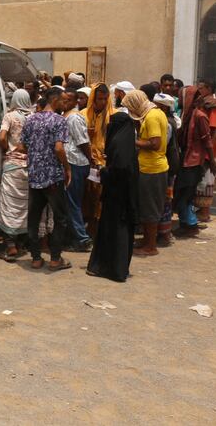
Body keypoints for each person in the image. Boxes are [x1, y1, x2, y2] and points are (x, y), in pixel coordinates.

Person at [19, 87, 71, 271]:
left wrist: (36, 156)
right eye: (64, 101)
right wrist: (67, 167)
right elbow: (59, 148)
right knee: (60, 218)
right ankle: (55, 259)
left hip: (34, 176)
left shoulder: (30, 120)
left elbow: (22, 145)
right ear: (55, 100)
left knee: (33, 218)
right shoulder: (59, 121)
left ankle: (35, 258)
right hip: (53, 177)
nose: (65, 104)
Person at [86, 112, 137, 282]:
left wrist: (104, 171)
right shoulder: (126, 142)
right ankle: (118, 268)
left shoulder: (118, 143)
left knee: (115, 230)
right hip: (125, 195)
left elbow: (119, 169)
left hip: (116, 196)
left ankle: (112, 268)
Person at [122, 90, 169, 256]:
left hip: (152, 169)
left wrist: (132, 141)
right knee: (147, 206)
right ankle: (147, 240)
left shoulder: (152, 117)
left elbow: (155, 143)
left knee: (150, 207)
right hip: (149, 168)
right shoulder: (153, 113)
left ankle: (151, 246)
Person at [173, 87, 216, 237]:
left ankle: (191, 225)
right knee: (182, 194)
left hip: (193, 162)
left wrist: (211, 161)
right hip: (185, 160)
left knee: (185, 194)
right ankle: (186, 223)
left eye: (181, 97)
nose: (179, 101)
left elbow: (207, 141)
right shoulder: (187, 116)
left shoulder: (199, 116)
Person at [0, 89, 32, 261]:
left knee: (9, 205)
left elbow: (2, 137)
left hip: (12, 166)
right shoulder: (33, 117)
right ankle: (21, 243)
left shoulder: (9, 117)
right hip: (29, 166)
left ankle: (10, 246)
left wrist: (7, 150)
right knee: (23, 206)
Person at [80, 83, 115, 236]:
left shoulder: (113, 116)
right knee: (86, 197)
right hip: (85, 161)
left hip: (105, 162)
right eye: (99, 99)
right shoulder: (82, 115)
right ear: (93, 99)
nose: (102, 102)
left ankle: (98, 229)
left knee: (101, 199)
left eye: (105, 99)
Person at [62, 88, 93, 251]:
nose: (64, 102)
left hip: (75, 163)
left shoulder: (74, 118)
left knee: (72, 202)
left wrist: (91, 159)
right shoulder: (64, 116)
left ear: (75, 102)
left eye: (68, 100)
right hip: (69, 163)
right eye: (63, 99)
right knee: (70, 202)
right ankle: (72, 236)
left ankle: (82, 239)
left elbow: (83, 142)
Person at [193, 78, 216, 222]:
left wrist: (208, 152)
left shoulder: (214, 105)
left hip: (207, 151)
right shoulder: (203, 103)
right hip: (200, 149)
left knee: (206, 180)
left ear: (208, 89)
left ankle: (204, 213)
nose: (198, 91)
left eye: (200, 88)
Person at [153, 93, 179, 247]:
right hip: (167, 164)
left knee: (165, 199)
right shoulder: (168, 121)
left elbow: (160, 145)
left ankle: (164, 233)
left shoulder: (167, 123)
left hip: (166, 166)